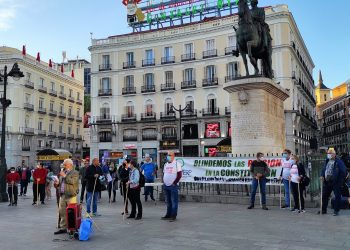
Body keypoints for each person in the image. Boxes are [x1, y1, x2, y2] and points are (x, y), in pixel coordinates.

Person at [53, 159, 79, 235]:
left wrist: (65, 176)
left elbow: (73, 182)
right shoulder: (63, 172)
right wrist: (57, 183)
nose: (63, 166)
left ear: (70, 164)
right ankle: (63, 228)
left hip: (71, 195)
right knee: (62, 212)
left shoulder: (75, 172)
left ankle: (72, 229)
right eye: (63, 164)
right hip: (62, 195)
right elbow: (61, 183)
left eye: (65, 164)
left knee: (72, 213)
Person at [319, 148, 347, 216]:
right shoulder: (327, 160)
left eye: (330, 153)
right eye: (328, 153)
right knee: (325, 195)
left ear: (334, 154)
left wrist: (339, 180)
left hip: (336, 182)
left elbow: (343, 171)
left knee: (337, 196)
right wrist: (322, 175)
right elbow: (324, 169)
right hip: (327, 181)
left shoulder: (338, 161)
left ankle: (336, 210)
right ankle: (323, 209)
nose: (328, 155)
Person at [161, 151, 182, 221]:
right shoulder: (166, 164)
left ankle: (173, 215)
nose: (168, 156)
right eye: (168, 155)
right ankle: (168, 214)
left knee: (174, 201)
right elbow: (164, 173)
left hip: (173, 186)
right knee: (168, 201)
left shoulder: (177, 164)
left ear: (173, 156)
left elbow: (179, 175)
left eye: (170, 155)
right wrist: (163, 181)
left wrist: (175, 182)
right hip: (166, 185)